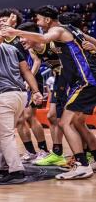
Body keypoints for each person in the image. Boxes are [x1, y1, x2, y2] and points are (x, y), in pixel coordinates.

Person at [3, 11, 96, 180]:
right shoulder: (69, 32)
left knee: (65, 122)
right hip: (76, 81)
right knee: (75, 121)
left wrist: (15, 31)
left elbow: (45, 39)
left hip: (82, 81)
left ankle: (82, 164)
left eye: (38, 19)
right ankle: (86, 158)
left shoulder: (57, 32)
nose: (38, 23)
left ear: (47, 19)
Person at [0, 22, 43, 184]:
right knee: (4, 133)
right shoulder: (13, 49)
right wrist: (36, 91)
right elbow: (26, 71)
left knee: (3, 135)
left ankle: (16, 171)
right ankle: (3, 167)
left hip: (1, 95)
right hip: (19, 95)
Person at [0, 8, 48, 163]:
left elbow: (36, 60)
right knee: (20, 120)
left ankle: (44, 150)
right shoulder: (0, 40)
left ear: (13, 20)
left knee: (30, 116)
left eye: (4, 20)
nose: (1, 22)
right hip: (15, 83)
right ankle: (31, 152)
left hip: (30, 79)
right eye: (0, 20)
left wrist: (29, 81)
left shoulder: (21, 37)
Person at [17, 20, 67, 167]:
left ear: (33, 35)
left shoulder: (52, 44)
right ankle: (57, 153)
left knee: (71, 120)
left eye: (23, 37)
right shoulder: (34, 49)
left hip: (71, 80)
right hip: (59, 79)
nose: (20, 41)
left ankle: (85, 154)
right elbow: (39, 62)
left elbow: (70, 60)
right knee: (52, 116)